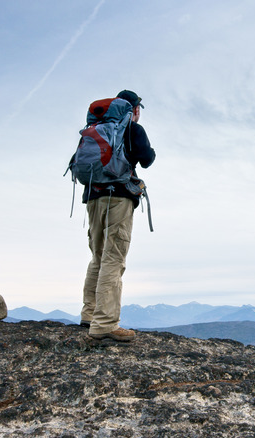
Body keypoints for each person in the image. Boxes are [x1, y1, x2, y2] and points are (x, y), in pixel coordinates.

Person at [80, 89, 156, 342]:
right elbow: (147, 160)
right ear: (134, 110)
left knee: (98, 257)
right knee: (114, 258)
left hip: (92, 197)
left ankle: (89, 314)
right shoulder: (132, 129)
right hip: (119, 197)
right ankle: (105, 324)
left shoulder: (96, 128)